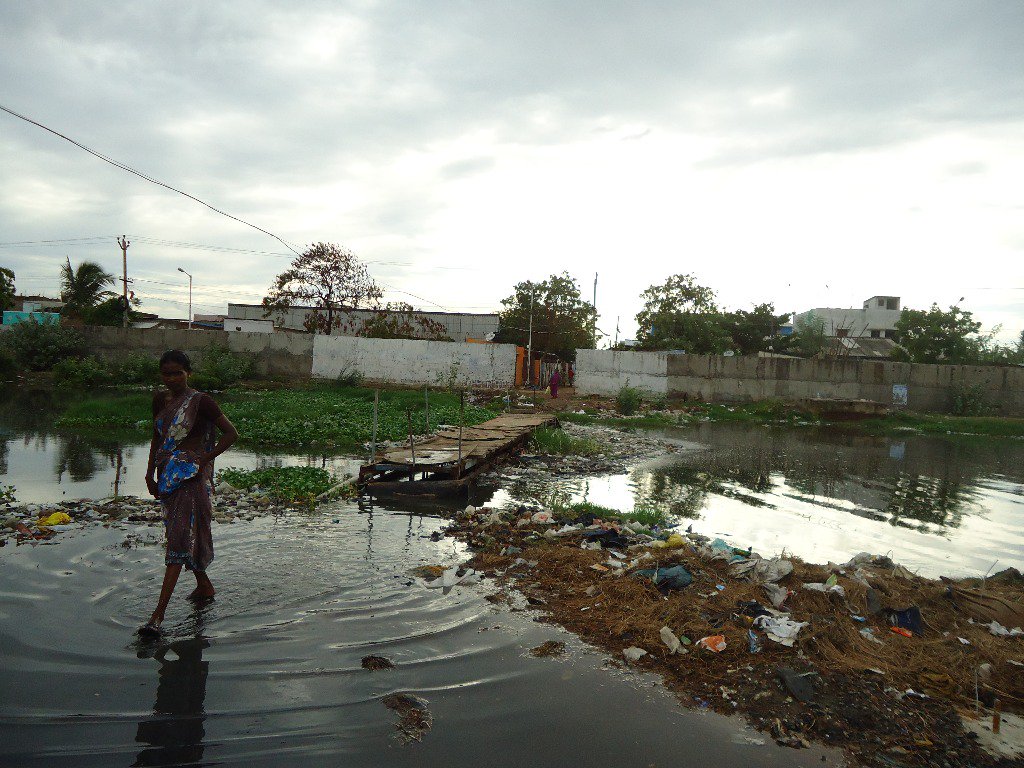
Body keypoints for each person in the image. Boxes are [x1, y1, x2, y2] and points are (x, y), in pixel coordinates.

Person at [138, 350, 238, 636]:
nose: (172, 379)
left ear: (188, 373)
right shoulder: (160, 400)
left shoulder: (201, 401)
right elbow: (157, 437)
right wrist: (149, 473)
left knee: (179, 539)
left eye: (177, 373)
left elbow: (231, 433)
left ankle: (157, 617)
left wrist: (202, 459)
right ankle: (204, 586)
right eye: (167, 373)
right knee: (181, 533)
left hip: (192, 479)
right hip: (168, 476)